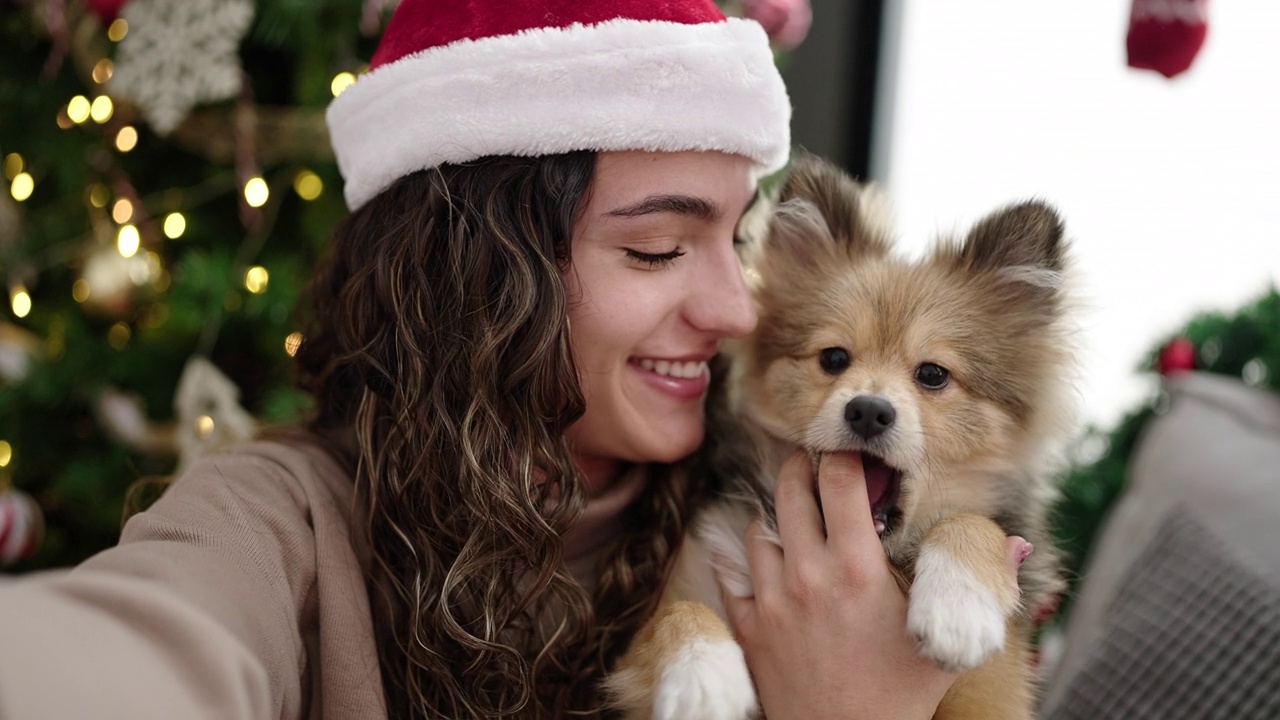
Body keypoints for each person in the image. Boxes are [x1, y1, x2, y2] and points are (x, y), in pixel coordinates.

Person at [0, 0, 1026, 718]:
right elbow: (139, 640)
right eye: (657, 248)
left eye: (735, 240)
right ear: (481, 275)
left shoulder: (791, 503)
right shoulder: (283, 524)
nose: (731, 309)